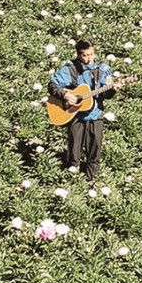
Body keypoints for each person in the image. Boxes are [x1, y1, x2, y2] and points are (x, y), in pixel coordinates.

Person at [48, 39, 114, 181]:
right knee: (74, 149)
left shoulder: (103, 70)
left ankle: (91, 179)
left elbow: (106, 94)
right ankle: (72, 178)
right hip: (75, 115)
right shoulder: (70, 69)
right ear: (79, 55)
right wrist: (65, 95)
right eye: (85, 55)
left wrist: (113, 90)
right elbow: (52, 85)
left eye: (91, 54)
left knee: (95, 148)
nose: (89, 58)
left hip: (95, 114)